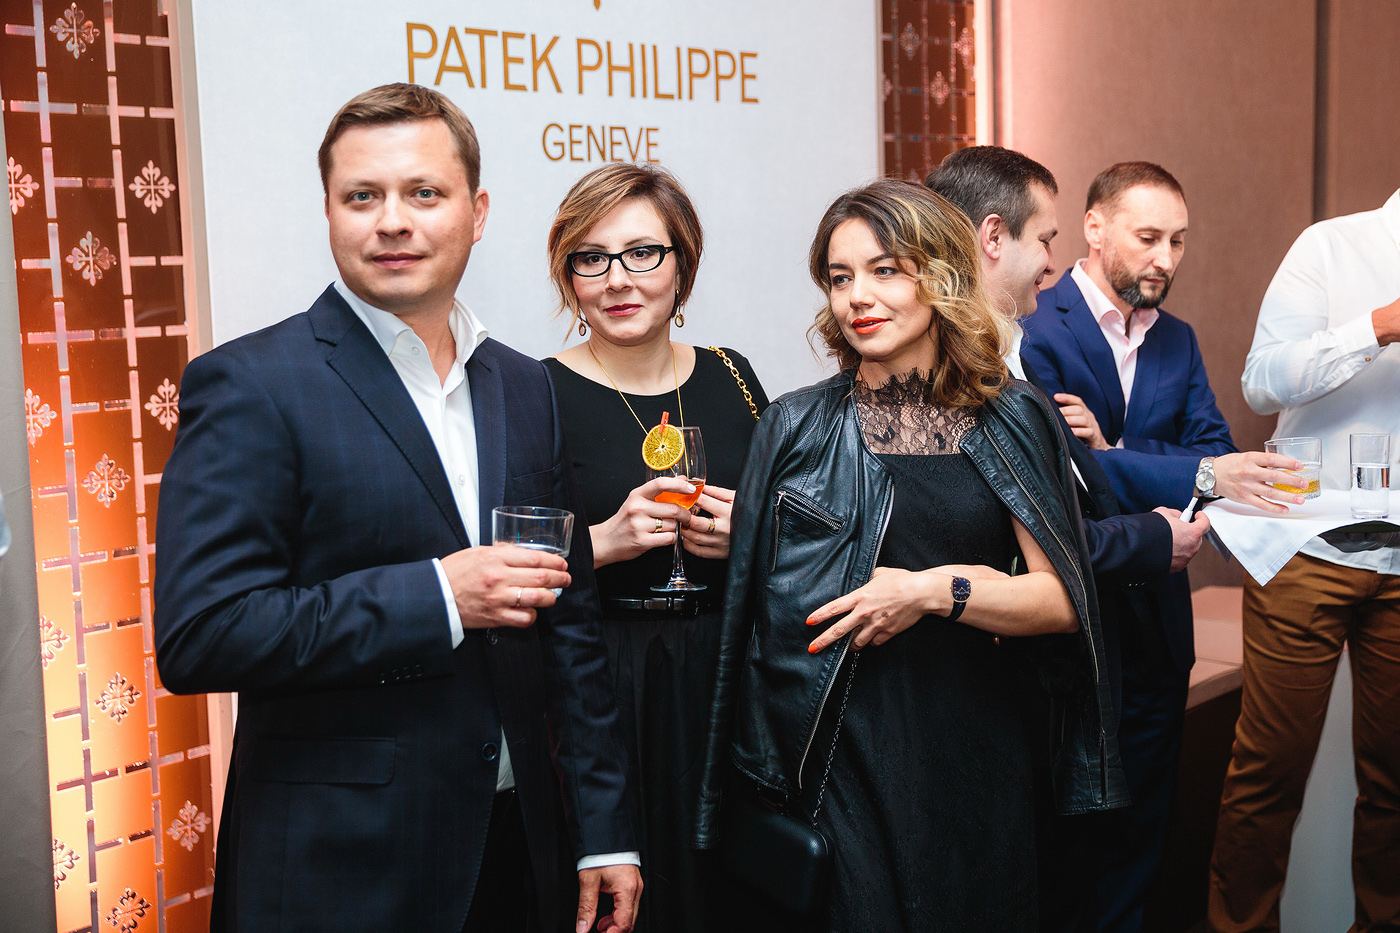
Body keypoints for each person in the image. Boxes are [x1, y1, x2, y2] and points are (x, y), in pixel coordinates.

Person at [153, 84, 641, 933]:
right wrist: (440, 596)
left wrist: (604, 830)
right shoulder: (252, 383)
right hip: (338, 869)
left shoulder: (524, 384)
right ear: (329, 212)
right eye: (362, 196)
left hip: (516, 852)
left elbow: (572, 625)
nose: (392, 221)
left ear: (476, 212)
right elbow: (203, 632)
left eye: (423, 192)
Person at [695, 179, 1127, 932]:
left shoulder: (1012, 415)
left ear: (941, 276)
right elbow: (752, 631)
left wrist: (932, 590)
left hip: (978, 747)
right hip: (840, 753)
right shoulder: (794, 427)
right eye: (840, 277)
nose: (858, 296)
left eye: (886, 270)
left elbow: (1064, 601)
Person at [927, 145, 1210, 933]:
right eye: (1045, 239)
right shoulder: (983, 370)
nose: (1050, 263)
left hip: (1092, 658)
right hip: (1004, 673)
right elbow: (1035, 539)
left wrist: (1110, 457)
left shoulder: (1009, 356)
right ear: (993, 237)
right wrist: (1152, 536)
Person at [1020, 161, 1305, 933]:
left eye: (1178, 240)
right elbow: (1060, 482)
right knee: (1067, 853)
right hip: (1075, 629)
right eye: (1149, 237)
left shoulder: (1177, 338)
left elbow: (1216, 449)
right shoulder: (1036, 330)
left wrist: (1115, 449)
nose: (1166, 258)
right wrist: (1170, 468)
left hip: (1159, 632)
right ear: (1094, 227)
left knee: (1141, 843)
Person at [541, 163, 769, 932]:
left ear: (682, 262)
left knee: (736, 895)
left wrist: (747, 539)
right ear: (569, 274)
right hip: (603, 686)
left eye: (643, 252)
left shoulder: (733, 375)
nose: (618, 278)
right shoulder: (534, 391)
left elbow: (789, 525)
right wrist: (601, 543)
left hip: (728, 679)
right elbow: (498, 558)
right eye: (592, 257)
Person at [1209, 189, 1400, 933]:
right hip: (1309, 548)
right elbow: (1264, 381)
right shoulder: (1332, 246)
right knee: (1271, 771)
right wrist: (1377, 326)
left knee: (1396, 779)